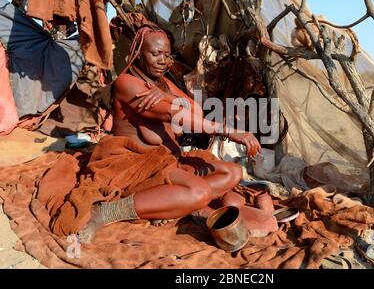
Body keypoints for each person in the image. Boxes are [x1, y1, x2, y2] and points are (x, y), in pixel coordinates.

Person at [78, 23, 261, 243]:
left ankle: (168, 204)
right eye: (155, 54)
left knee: (233, 172)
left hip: (169, 160)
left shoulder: (161, 84)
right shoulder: (127, 84)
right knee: (201, 193)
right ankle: (108, 212)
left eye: (166, 54)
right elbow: (177, 115)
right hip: (138, 166)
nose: (162, 60)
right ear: (137, 54)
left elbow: (196, 109)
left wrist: (171, 97)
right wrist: (229, 131)